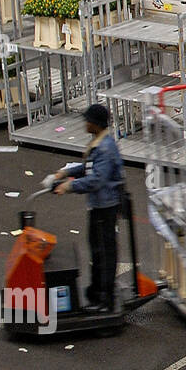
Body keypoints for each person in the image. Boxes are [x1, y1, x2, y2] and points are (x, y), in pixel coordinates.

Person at [52, 104, 124, 313]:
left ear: (96, 123)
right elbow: (88, 167)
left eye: (88, 120)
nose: (85, 123)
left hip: (105, 208)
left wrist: (70, 186)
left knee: (104, 253)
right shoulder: (98, 144)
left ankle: (104, 300)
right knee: (96, 250)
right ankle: (95, 293)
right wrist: (65, 173)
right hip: (98, 206)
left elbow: (97, 180)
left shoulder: (105, 148)